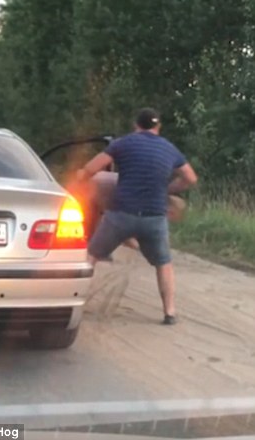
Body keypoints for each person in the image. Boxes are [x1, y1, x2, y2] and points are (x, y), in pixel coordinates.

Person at [77, 108, 198, 325]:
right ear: (158, 127)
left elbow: (92, 168)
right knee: (164, 263)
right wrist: (169, 189)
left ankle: (74, 300)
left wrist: (81, 176)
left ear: (136, 125)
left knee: (92, 256)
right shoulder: (169, 148)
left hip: (121, 214)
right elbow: (190, 178)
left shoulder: (123, 143)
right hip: (154, 217)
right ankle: (169, 312)